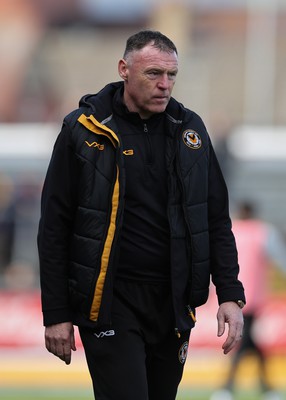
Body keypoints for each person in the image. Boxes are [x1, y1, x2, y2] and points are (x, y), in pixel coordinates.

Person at [38, 30, 245, 400]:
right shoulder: (83, 130)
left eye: (171, 76)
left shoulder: (190, 131)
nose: (165, 85)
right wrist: (56, 312)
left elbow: (214, 219)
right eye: (153, 74)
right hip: (109, 303)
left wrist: (230, 294)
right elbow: (54, 226)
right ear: (124, 69)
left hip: (172, 303)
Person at [210, 201, 286, 400]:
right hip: (254, 297)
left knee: (244, 342)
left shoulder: (231, 231)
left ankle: (229, 388)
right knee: (247, 342)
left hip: (231, 296)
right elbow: (281, 260)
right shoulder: (263, 232)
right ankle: (262, 388)